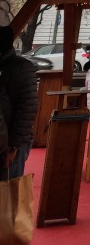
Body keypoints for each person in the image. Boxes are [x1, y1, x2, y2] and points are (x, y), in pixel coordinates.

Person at [0, 23, 38, 179]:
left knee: (8, 190)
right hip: (5, 140)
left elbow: (27, 109)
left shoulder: (19, 68)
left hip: (12, 143)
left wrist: (13, 146)